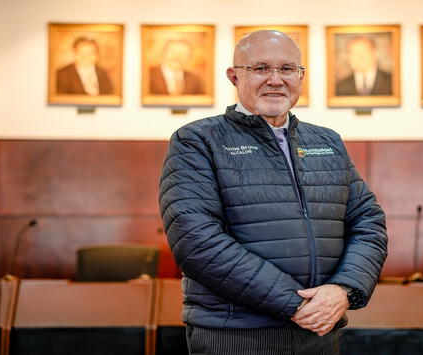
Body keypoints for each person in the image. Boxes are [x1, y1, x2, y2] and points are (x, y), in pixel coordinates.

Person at [159, 30, 387, 355]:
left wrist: (344, 289)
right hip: (236, 336)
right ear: (234, 76)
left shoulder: (328, 142)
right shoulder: (197, 141)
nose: (276, 80)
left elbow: (368, 224)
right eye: (261, 68)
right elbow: (197, 242)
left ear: (301, 76)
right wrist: (295, 305)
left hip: (321, 333)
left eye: (287, 69)